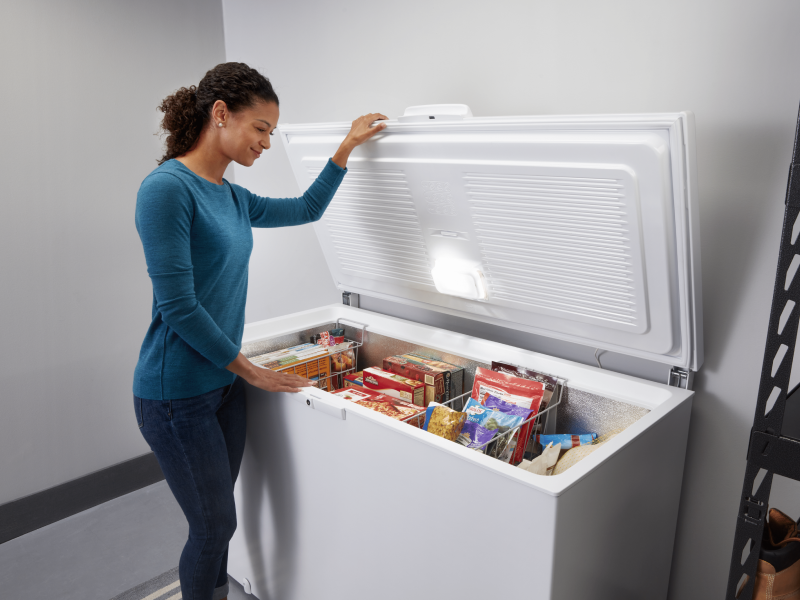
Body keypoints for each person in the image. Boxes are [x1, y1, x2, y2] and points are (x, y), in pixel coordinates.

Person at [132, 62, 387, 600]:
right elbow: (178, 306)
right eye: (261, 128)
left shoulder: (231, 195)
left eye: (271, 132)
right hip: (176, 393)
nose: (266, 143)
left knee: (218, 521)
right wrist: (253, 371)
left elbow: (306, 209)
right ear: (220, 115)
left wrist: (346, 147)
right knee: (211, 527)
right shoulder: (165, 190)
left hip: (222, 388)